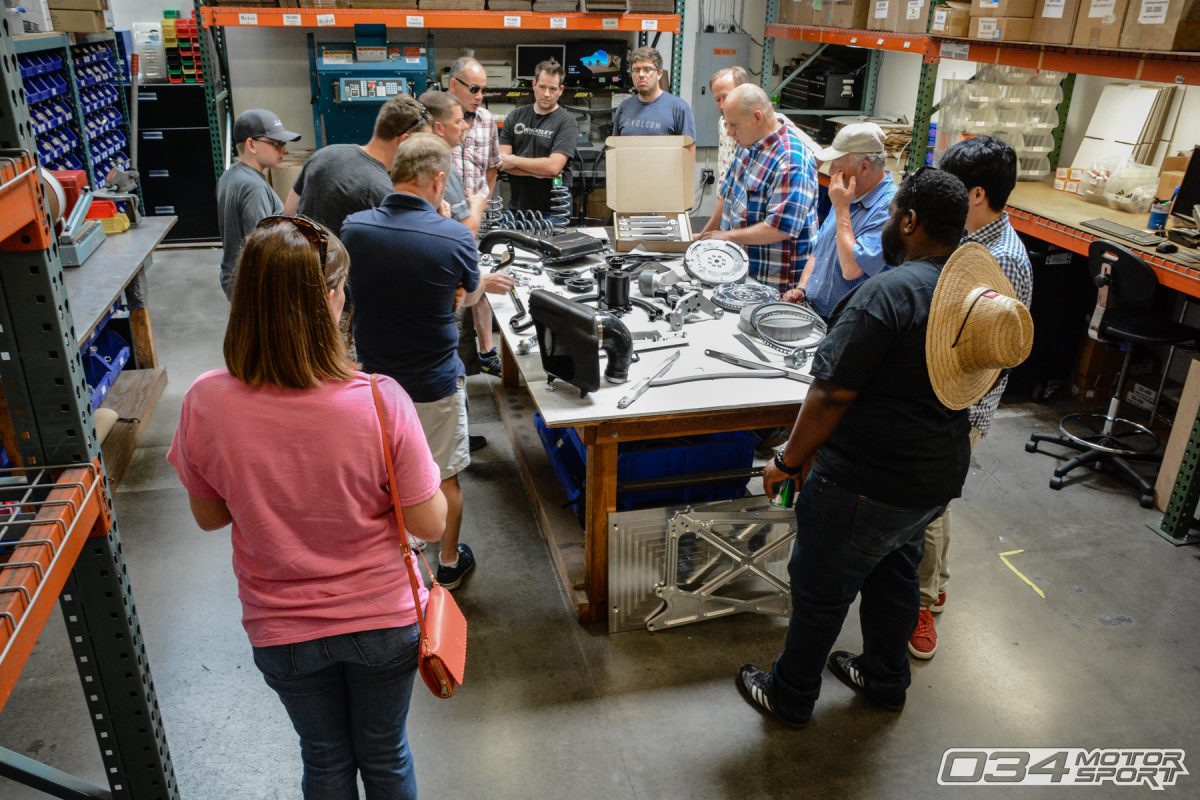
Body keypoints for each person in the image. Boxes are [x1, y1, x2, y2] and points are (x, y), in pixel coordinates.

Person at [736, 168, 1031, 728]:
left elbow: (830, 393)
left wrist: (787, 460)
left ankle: (790, 693)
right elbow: (985, 379)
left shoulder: (887, 293)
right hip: (934, 476)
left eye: (895, 214)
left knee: (822, 587)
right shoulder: (973, 295)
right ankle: (884, 678)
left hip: (864, 483)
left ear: (910, 221)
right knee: (895, 573)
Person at [167, 216, 448, 799]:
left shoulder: (205, 400)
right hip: (381, 619)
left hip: (281, 626)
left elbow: (209, 515)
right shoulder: (378, 400)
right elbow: (429, 522)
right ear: (326, 299)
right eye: (341, 286)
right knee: (386, 753)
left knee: (323, 759)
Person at [341, 134, 514, 591]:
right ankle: (449, 562)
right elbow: (472, 294)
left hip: (376, 384)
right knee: (442, 481)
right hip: (433, 385)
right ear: (439, 180)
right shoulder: (453, 237)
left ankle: (395, 563)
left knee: (386, 479)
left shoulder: (354, 229)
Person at [908, 135, 1034, 660]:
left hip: (962, 402)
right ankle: (934, 584)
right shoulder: (972, 239)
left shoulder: (1002, 261)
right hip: (944, 392)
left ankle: (921, 602)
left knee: (928, 505)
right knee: (932, 500)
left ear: (977, 193)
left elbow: (981, 352)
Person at [696, 84, 818, 294]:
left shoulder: (791, 162)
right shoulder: (747, 146)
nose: (729, 132)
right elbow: (727, 197)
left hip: (774, 283)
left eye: (733, 125)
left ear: (757, 117)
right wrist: (703, 238)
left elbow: (780, 228)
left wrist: (726, 237)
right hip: (741, 273)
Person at [785, 123, 897, 318]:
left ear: (864, 167)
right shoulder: (848, 194)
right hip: (815, 313)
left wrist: (841, 208)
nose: (831, 171)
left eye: (838, 166)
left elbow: (852, 269)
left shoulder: (889, 209)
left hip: (848, 324)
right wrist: (802, 289)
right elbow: (820, 251)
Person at [282, 94, 432, 235]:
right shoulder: (380, 190)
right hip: (340, 262)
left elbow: (289, 212)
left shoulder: (324, 155)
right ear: (404, 140)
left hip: (303, 255)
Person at [448, 56, 505, 377]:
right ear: (453, 84)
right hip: (444, 222)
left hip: (475, 220)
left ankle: (486, 352)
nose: (479, 95)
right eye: (474, 88)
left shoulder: (485, 121)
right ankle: (455, 360)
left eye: (484, 89)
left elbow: (494, 164)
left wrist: (483, 198)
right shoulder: (435, 120)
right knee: (451, 290)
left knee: (479, 280)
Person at [215, 108, 299, 299]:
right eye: (277, 143)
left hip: (235, 277)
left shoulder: (230, 176)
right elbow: (258, 246)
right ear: (251, 145)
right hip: (255, 284)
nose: (284, 150)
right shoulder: (254, 188)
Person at [709, 66, 818, 186]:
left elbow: (816, 154)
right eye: (717, 99)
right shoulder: (723, 122)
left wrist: (794, 180)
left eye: (726, 96)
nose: (722, 105)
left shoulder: (773, 123)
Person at [498, 59, 578, 215]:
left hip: (554, 211)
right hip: (518, 208)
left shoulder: (567, 122)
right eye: (542, 87)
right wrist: (537, 172)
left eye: (552, 88)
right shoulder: (515, 117)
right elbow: (502, 163)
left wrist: (514, 160)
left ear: (561, 90)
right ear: (534, 84)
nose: (547, 94)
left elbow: (553, 167)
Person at [422, 89, 489, 234]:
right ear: (439, 128)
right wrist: (477, 205)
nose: (465, 126)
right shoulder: (441, 164)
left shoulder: (415, 157)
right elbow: (466, 232)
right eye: (458, 121)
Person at [611, 47, 696, 138]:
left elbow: (688, 150)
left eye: (647, 69)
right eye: (636, 70)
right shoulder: (624, 107)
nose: (641, 75)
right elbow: (615, 148)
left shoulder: (679, 109)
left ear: (659, 74)